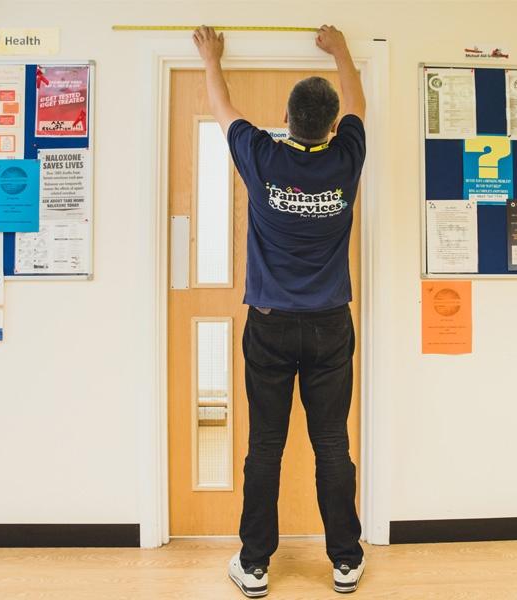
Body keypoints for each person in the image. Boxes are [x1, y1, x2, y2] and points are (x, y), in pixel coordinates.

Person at [193, 24, 366, 598]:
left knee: (265, 445)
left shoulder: (262, 156)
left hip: (268, 326)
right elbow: (358, 104)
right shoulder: (347, 157)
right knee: (332, 445)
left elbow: (222, 107)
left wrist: (211, 57)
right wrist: (341, 51)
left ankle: (255, 566)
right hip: (330, 326)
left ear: (288, 122)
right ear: (332, 125)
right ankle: (344, 562)